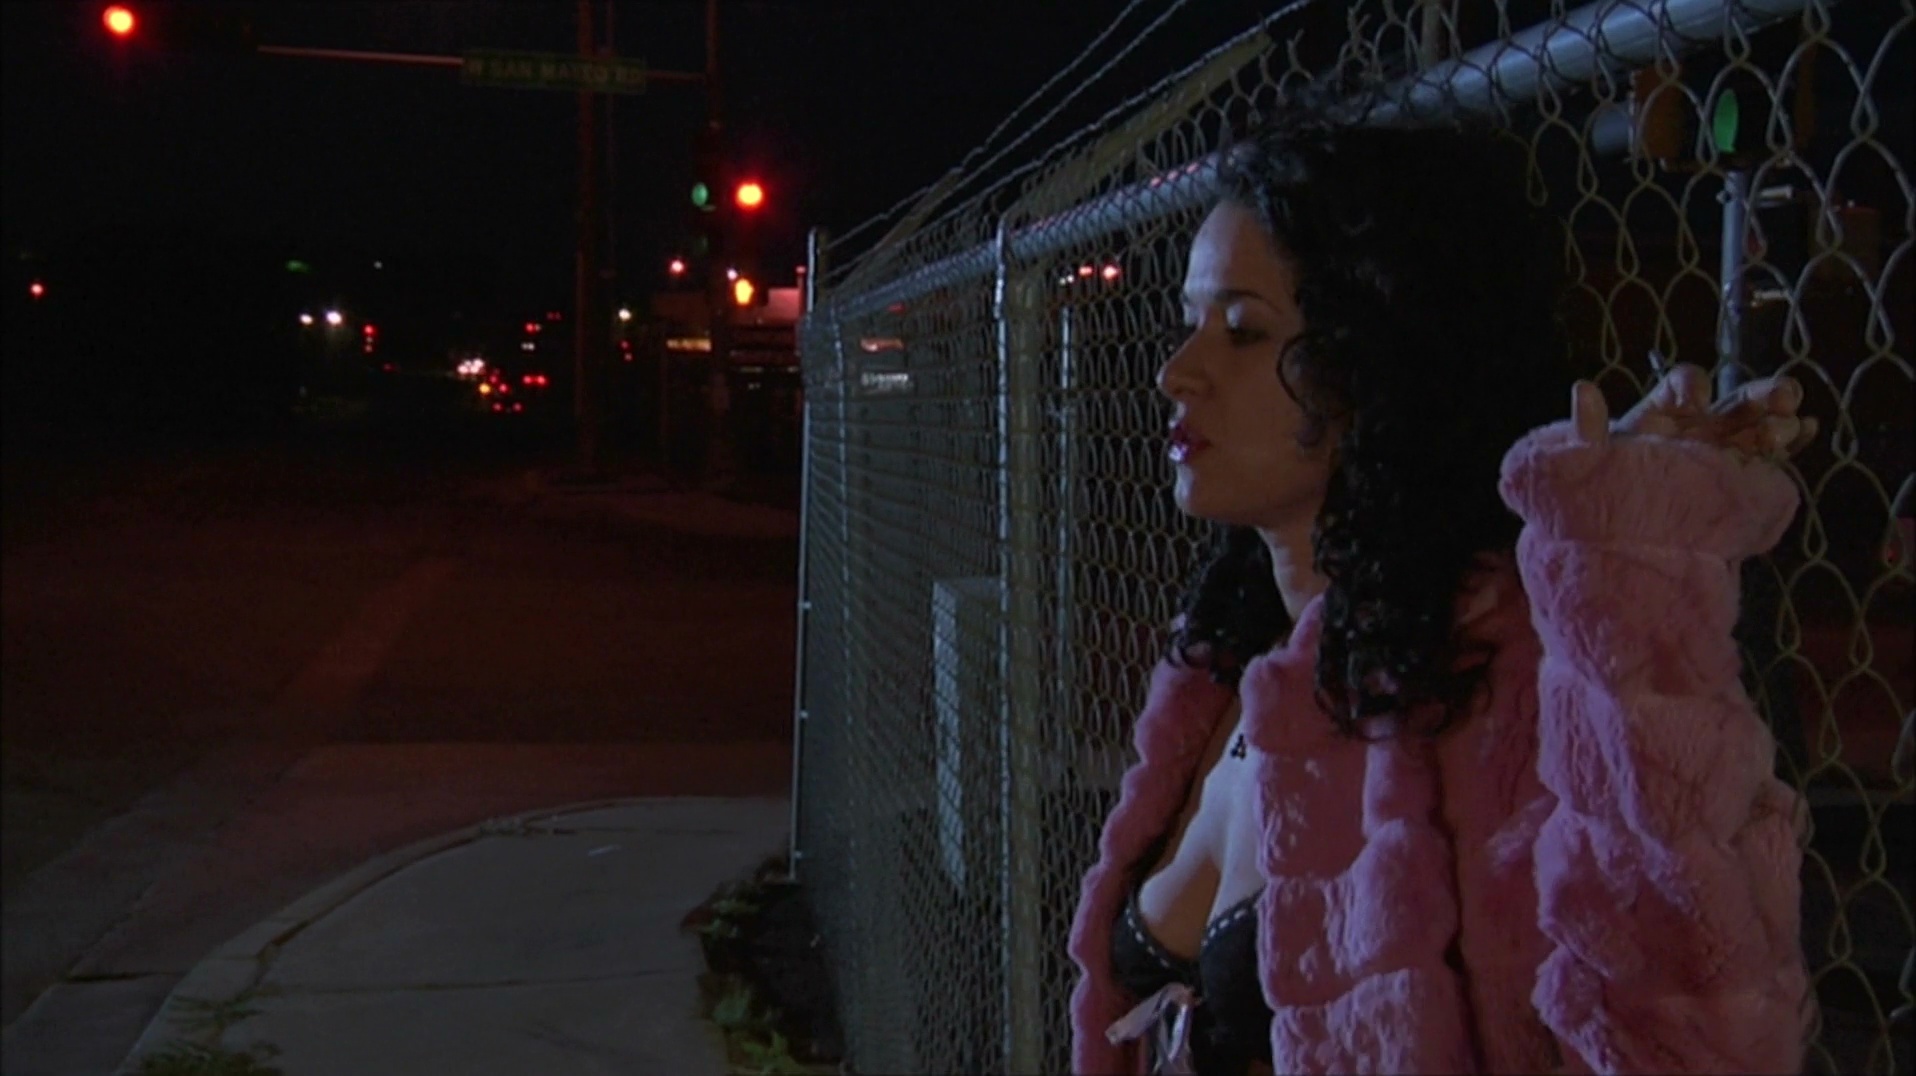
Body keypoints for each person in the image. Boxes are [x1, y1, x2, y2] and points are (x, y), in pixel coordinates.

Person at [1067, 106, 1816, 1075]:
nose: (1178, 373)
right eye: (1189, 322)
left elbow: (1674, 1018)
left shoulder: (1491, 676)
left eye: (1244, 331)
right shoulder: (1239, 654)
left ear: (1380, 363)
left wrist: (1621, 572)